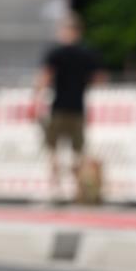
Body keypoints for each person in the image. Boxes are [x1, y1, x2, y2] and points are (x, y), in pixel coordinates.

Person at [34, 13, 105, 200]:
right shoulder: (87, 53)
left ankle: (56, 190)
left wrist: (36, 97)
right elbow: (99, 79)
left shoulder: (56, 53)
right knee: (78, 152)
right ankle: (78, 190)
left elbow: (45, 78)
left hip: (58, 108)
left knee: (53, 150)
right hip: (78, 108)